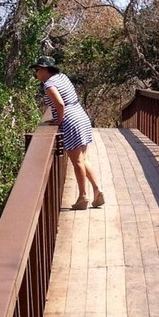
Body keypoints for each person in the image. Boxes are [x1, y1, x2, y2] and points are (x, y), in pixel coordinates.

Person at [33, 56, 105, 210]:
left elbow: (59, 103)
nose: (36, 73)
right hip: (81, 115)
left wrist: (58, 121)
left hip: (70, 120)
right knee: (83, 159)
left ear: (46, 70)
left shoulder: (49, 84)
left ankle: (82, 197)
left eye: (38, 70)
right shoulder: (62, 77)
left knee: (77, 161)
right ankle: (97, 190)